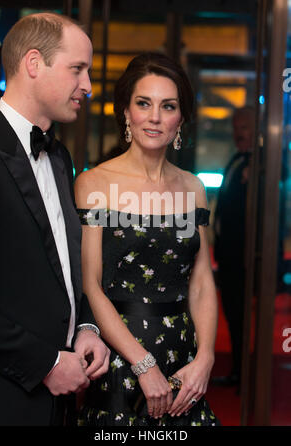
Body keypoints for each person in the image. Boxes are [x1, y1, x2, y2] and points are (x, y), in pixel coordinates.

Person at [75, 52, 219, 426]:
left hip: (185, 365)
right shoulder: (94, 184)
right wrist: (143, 365)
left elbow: (202, 282)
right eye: (144, 103)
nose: (155, 117)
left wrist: (205, 358)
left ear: (181, 118)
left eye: (167, 106)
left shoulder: (194, 187)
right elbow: (91, 285)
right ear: (126, 111)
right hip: (120, 359)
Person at [0, 12, 110, 426]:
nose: (89, 87)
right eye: (77, 69)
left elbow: (64, 260)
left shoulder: (59, 156)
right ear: (33, 64)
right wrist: (43, 363)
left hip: (58, 404)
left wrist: (88, 327)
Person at [213, 106, 254, 387]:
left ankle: (245, 373)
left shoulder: (262, 164)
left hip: (245, 257)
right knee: (232, 314)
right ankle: (239, 370)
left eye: (245, 127)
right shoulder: (236, 160)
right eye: (236, 127)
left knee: (241, 316)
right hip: (228, 256)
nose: (238, 133)